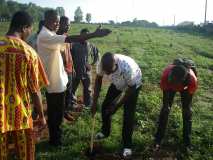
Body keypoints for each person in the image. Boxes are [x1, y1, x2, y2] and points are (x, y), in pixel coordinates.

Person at [37, 9, 111, 146]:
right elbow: (70, 39)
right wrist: (94, 34)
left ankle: (56, 138)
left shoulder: (50, 34)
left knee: (57, 114)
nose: (57, 24)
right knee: (56, 116)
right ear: (46, 20)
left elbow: (64, 43)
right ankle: (56, 142)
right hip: (54, 84)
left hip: (58, 81)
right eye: (55, 21)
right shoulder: (45, 36)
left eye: (59, 22)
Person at [0, 11, 48, 160]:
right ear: (24, 27)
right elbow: (35, 90)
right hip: (21, 116)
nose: (30, 33)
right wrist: (41, 115)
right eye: (30, 29)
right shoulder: (29, 53)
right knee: (25, 154)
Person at [91, 52, 142, 158]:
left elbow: (130, 88)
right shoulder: (102, 65)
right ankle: (105, 131)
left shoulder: (127, 69)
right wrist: (94, 102)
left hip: (133, 85)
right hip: (117, 83)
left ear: (116, 65)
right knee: (105, 106)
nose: (108, 74)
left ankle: (127, 146)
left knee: (128, 115)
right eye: (106, 72)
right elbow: (98, 80)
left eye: (110, 71)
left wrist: (116, 106)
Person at [154, 60, 198, 151]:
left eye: (173, 81)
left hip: (186, 88)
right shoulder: (166, 75)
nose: (171, 81)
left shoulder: (192, 80)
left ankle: (187, 143)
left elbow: (188, 103)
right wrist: (166, 106)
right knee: (165, 111)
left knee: (187, 113)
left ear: (181, 81)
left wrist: (187, 108)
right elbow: (165, 93)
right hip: (172, 86)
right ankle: (158, 140)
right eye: (171, 78)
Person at [72, 28, 99, 108]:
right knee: (73, 88)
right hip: (75, 71)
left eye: (87, 35)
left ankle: (87, 105)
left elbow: (97, 56)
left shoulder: (91, 46)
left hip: (86, 72)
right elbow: (69, 57)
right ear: (80, 35)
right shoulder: (74, 45)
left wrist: (92, 64)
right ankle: (72, 103)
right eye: (83, 35)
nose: (85, 37)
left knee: (88, 89)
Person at [57, 16, 75, 121]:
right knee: (61, 94)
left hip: (69, 69)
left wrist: (73, 67)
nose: (68, 27)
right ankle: (59, 113)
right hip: (60, 71)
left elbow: (69, 53)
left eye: (69, 25)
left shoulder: (66, 37)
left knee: (68, 92)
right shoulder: (55, 38)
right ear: (59, 24)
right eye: (66, 24)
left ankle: (65, 111)